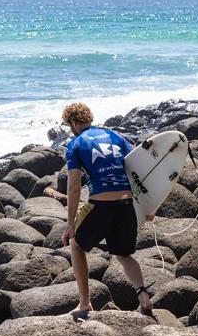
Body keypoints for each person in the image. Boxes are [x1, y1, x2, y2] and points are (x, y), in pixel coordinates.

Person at [61, 102, 154, 320]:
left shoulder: (75, 144)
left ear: (73, 122)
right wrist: (149, 204)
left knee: (76, 245)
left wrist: (70, 223)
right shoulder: (115, 136)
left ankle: (85, 303)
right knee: (123, 254)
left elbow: (74, 186)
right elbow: (138, 168)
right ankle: (142, 294)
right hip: (126, 204)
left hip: (101, 205)